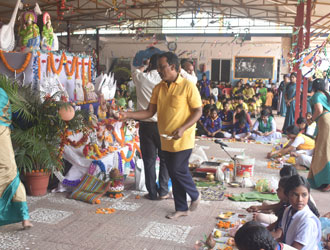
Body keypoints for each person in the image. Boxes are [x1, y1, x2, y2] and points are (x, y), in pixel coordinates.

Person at [120, 52, 202, 219]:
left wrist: (183, 128)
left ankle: (195, 194)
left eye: (162, 67)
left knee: (178, 169)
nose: (158, 70)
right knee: (172, 172)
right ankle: (181, 208)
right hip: (165, 138)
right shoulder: (159, 87)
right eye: (158, 67)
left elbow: (198, 112)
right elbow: (150, 112)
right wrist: (127, 115)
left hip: (183, 139)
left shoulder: (188, 86)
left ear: (173, 67)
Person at [131, 53, 169, 200]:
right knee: (165, 159)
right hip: (164, 125)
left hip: (146, 124)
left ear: (150, 64)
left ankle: (152, 192)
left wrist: (145, 64)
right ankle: (164, 191)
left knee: (149, 159)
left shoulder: (142, 78)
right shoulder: (165, 80)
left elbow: (135, 71)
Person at [0, 87, 33, 228]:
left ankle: (24, 217)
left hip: (3, 134)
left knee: (11, 172)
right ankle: (24, 217)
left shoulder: (2, 93)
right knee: (10, 172)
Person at [275, 175, 321, 249]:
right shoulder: (288, 210)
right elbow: (283, 236)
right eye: (295, 195)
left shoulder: (307, 221)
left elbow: (295, 248)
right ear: (287, 195)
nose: (300, 199)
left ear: (309, 195)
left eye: (304, 195)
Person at [308, 78, 330, 191]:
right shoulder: (327, 94)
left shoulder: (316, 95)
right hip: (328, 120)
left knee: (323, 151)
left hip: (325, 121)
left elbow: (319, 109)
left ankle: (327, 181)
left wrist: (311, 119)